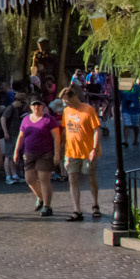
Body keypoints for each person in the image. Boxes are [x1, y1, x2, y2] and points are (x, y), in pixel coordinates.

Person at [59, 86, 103, 221]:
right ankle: (77, 209)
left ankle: (95, 204)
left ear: (73, 97)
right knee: (72, 179)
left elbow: (96, 130)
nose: (65, 103)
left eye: (66, 100)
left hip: (87, 151)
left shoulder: (88, 109)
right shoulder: (66, 111)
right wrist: (60, 146)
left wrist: (94, 148)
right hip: (71, 151)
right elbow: (66, 129)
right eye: (63, 101)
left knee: (91, 177)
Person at [13, 98, 61, 218]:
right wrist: (16, 151)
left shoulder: (49, 120)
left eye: (38, 104)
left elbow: (56, 137)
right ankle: (40, 197)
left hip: (46, 153)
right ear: (30, 107)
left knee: (44, 178)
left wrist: (57, 153)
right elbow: (21, 136)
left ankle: (47, 205)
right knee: (29, 179)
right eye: (34, 105)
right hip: (29, 153)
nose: (36, 107)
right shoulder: (25, 119)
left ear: (43, 106)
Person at [0, 93, 27, 184]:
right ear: (18, 101)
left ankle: (14, 174)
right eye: (22, 103)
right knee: (8, 156)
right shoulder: (10, 108)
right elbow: (3, 119)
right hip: (10, 134)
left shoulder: (16, 109)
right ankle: (8, 175)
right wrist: (6, 132)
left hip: (15, 134)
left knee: (12, 155)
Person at [119, 79, 140, 148]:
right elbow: (119, 98)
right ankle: (125, 140)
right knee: (126, 124)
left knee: (136, 125)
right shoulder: (122, 88)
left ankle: (136, 139)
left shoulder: (137, 88)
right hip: (126, 109)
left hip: (135, 109)